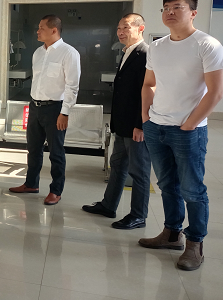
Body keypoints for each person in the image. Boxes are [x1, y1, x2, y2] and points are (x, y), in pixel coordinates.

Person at [139, 0, 223, 271]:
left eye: (177, 7)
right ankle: (171, 233)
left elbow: (215, 92)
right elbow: (149, 84)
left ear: (193, 12)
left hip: (188, 131)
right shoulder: (156, 47)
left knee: (192, 189)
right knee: (167, 185)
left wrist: (190, 123)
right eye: (166, 8)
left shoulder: (208, 45)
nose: (170, 12)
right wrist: (146, 117)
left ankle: (195, 244)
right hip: (157, 127)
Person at [83, 14, 151, 229]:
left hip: (135, 126)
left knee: (139, 171)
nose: (121, 32)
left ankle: (138, 215)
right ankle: (108, 205)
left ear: (140, 28)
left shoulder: (145, 54)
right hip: (122, 124)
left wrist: (141, 124)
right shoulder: (127, 52)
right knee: (117, 165)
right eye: (119, 28)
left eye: (126, 28)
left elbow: (148, 92)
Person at [9, 15, 81, 205]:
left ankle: (56, 190)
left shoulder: (69, 53)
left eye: (41, 28)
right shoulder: (38, 53)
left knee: (56, 152)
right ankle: (31, 184)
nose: (37, 31)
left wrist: (65, 112)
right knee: (33, 149)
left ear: (54, 30)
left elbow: (72, 86)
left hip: (55, 109)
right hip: (35, 107)